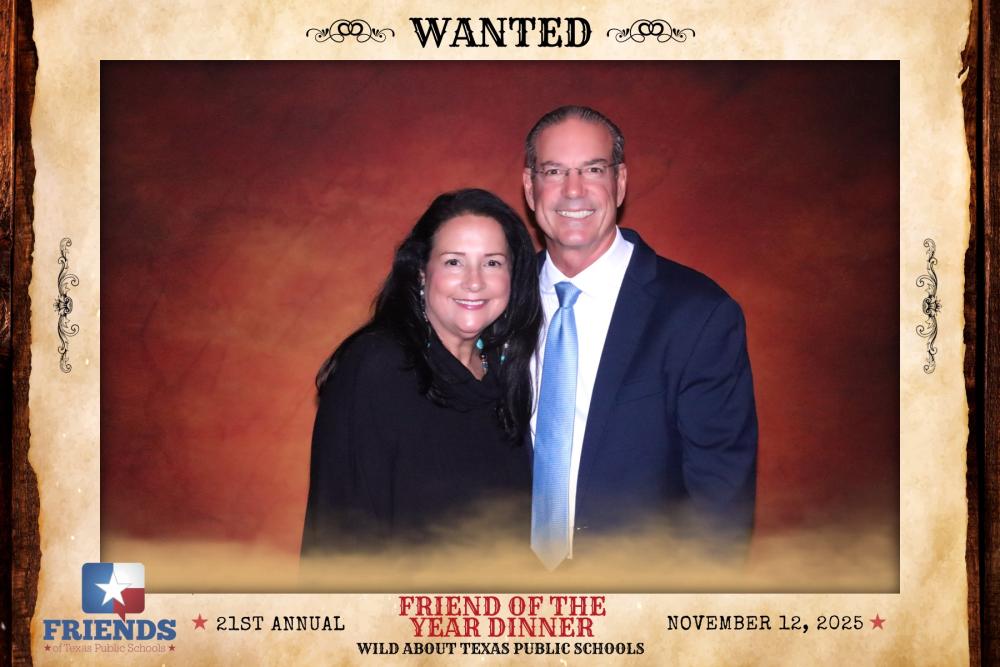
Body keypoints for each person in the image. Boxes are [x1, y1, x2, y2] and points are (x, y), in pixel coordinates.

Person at [522, 106, 758, 570]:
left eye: (593, 169)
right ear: (530, 188)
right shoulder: (494, 302)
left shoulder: (698, 314)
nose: (574, 189)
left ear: (620, 182)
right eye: (554, 171)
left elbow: (721, 505)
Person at [301, 188, 541, 556]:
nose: (474, 281)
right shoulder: (378, 367)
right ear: (421, 273)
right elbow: (341, 536)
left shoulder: (505, 375)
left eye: (492, 263)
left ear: (513, 276)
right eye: (454, 262)